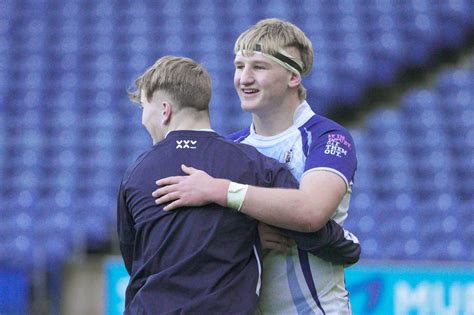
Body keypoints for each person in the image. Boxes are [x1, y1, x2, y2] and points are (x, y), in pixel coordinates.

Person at [117, 55, 359, 314]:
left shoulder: (137, 173)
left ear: (165, 110)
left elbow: (137, 261)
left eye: (144, 108)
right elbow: (310, 230)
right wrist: (349, 246)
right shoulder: (254, 165)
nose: (143, 120)